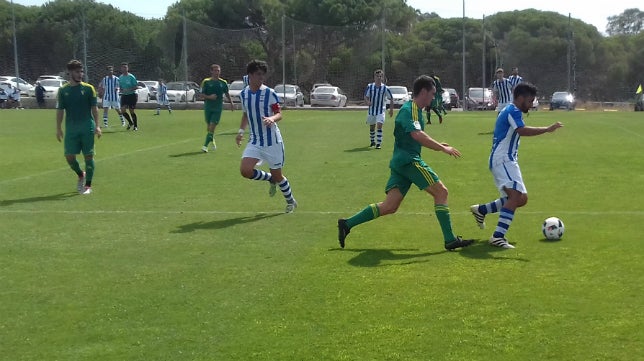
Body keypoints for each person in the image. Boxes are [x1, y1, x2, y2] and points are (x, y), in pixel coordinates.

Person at [337, 75, 474, 251]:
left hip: (400, 162)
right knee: (442, 192)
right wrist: (442, 148)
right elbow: (417, 135)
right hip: (409, 162)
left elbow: (414, 136)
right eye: (432, 94)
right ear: (423, 92)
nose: (433, 98)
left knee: (389, 206)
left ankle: (346, 224)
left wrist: (440, 144)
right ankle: (450, 240)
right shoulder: (411, 110)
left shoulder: (413, 110)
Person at [469, 82, 563, 249]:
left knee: (521, 199)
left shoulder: (511, 110)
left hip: (507, 159)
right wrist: (547, 129)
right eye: (530, 100)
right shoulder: (513, 110)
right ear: (520, 98)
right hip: (503, 159)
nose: (532, 104)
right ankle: (498, 236)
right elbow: (522, 130)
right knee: (515, 196)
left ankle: (482, 210)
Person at [235, 59, 297, 213]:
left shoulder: (269, 93)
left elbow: (279, 113)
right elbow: (245, 114)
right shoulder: (244, 94)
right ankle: (269, 179)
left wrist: (272, 119)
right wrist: (241, 132)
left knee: (278, 175)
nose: (261, 78)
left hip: (272, 141)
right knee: (245, 170)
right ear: (250, 75)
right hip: (255, 140)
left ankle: (290, 201)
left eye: (263, 75)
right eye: (258, 75)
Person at [55, 59, 101, 195]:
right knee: (69, 157)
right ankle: (81, 174)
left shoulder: (88, 89)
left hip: (87, 126)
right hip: (71, 129)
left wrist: (97, 126)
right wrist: (58, 128)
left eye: (81, 71)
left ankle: (88, 186)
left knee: (88, 156)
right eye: (77, 72)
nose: (80, 74)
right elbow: (60, 110)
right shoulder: (63, 91)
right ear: (70, 73)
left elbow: (95, 108)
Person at [200, 64, 233, 152]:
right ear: (211, 71)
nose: (217, 72)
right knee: (209, 127)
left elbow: (227, 93)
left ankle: (205, 146)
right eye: (215, 70)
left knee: (212, 126)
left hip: (218, 108)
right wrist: (209, 97)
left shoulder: (223, 82)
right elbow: (201, 95)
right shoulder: (206, 82)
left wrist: (231, 103)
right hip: (208, 107)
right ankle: (212, 140)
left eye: (218, 70)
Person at [364, 69, 393, 149]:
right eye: (377, 76)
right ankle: (372, 141)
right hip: (372, 110)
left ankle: (378, 144)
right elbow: (365, 97)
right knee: (372, 127)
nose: (379, 78)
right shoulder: (370, 86)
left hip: (381, 110)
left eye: (380, 76)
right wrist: (368, 102)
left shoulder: (385, 88)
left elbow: (391, 98)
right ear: (374, 77)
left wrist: (391, 109)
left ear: (382, 77)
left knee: (379, 125)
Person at [118, 62, 139, 130]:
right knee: (122, 110)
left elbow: (136, 86)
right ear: (121, 69)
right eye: (123, 67)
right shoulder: (120, 77)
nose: (124, 69)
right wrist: (120, 90)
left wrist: (129, 89)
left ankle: (135, 126)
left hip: (132, 95)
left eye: (125, 67)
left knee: (131, 111)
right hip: (124, 95)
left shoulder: (131, 77)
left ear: (128, 68)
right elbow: (120, 87)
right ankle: (130, 122)